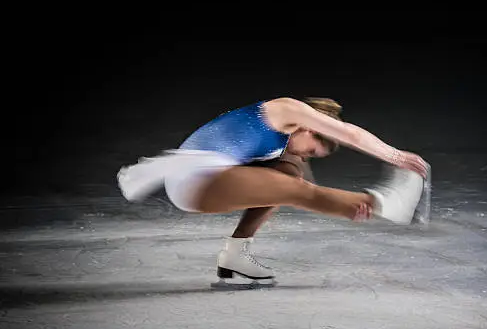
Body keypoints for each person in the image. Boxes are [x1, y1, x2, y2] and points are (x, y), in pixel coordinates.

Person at [117, 97, 430, 282]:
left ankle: (235, 256)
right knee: (293, 187)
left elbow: (303, 185)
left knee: (289, 179)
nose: (308, 155)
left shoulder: (284, 144)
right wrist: (396, 156)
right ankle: (385, 203)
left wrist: (336, 204)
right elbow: (348, 134)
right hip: (194, 176)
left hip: (203, 181)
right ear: (312, 129)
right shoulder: (285, 109)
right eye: (313, 150)